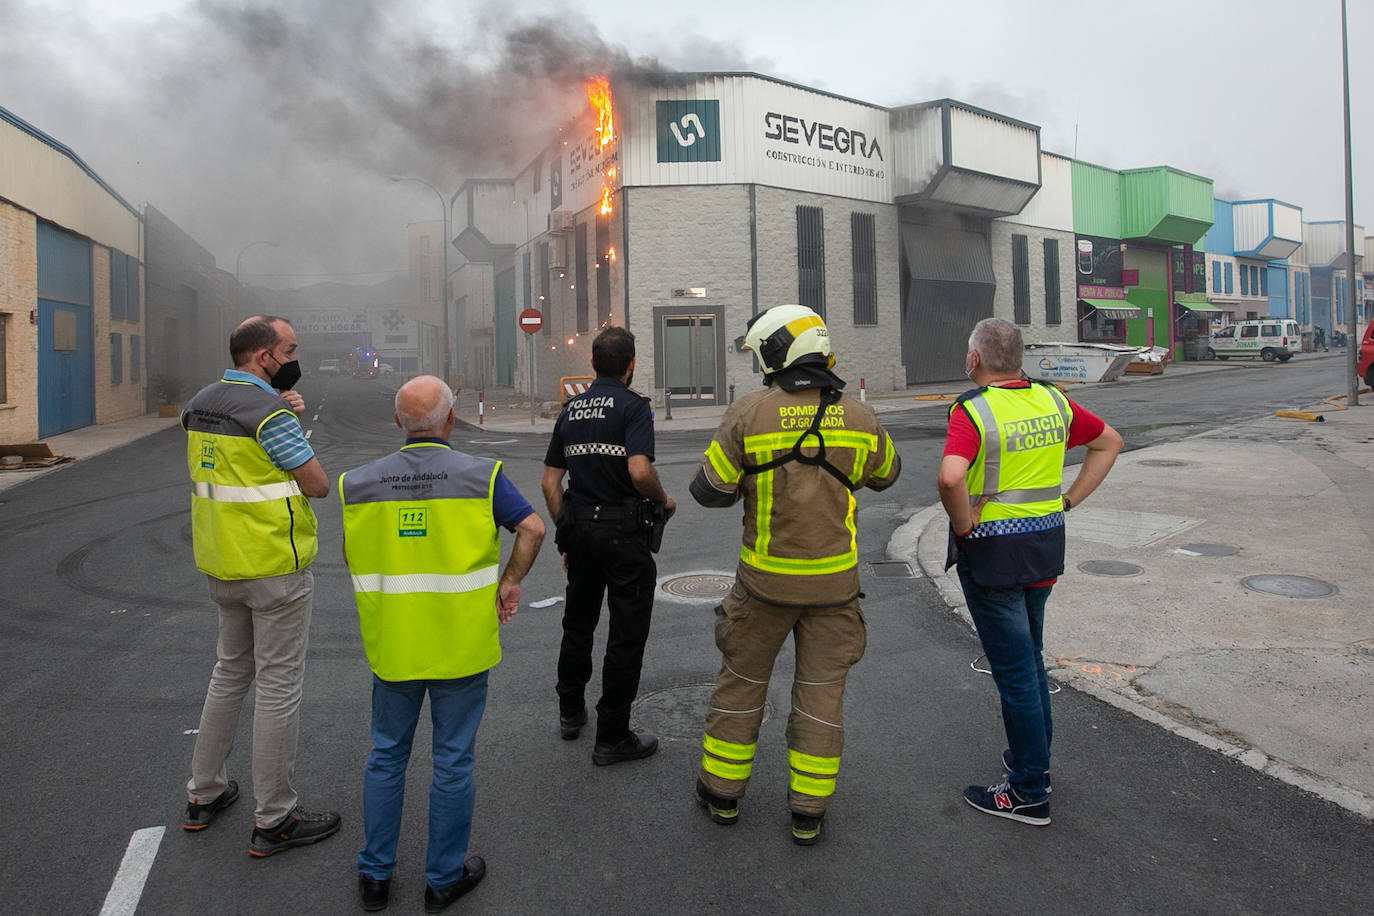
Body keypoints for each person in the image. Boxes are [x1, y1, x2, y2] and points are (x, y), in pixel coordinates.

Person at [688, 304, 901, 846]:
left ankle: (722, 797)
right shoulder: (859, 415)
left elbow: (707, 491)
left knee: (740, 687)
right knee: (821, 695)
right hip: (835, 589)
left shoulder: (748, 413)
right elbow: (887, 474)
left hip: (762, 586)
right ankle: (808, 813)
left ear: (774, 353)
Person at [341, 376, 545, 913]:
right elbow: (533, 528)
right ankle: (441, 880)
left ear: (397, 423)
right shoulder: (483, 477)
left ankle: (375, 878)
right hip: (461, 645)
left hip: (394, 645)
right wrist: (509, 581)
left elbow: (353, 554)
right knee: (452, 763)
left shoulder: (358, 483)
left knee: (386, 757)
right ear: (452, 420)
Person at [938, 317, 1123, 826]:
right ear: (1019, 359)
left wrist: (964, 524)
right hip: (1043, 547)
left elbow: (951, 476)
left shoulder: (972, 410)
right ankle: (1032, 763)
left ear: (975, 359)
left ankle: (1027, 792)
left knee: (1015, 674)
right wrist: (1068, 500)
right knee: (1030, 661)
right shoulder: (1054, 401)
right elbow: (1110, 442)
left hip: (993, 556)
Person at [181, 315, 342, 856]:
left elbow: (242, 450)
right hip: (274, 566)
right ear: (262, 356)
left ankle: (205, 793)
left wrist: (283, 410)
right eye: (290, 349)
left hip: (221, 563)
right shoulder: (269, 413)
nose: (296, 358)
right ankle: (275, 817)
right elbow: (316, 484)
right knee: (277, 686)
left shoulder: (200, 404)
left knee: (229, 674)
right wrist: (285, 417)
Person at [541, 326, 675, 765]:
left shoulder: (572, 409)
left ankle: (569, 712)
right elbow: (639, 471)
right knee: (625, 635)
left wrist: (566, 531)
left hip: (581, 533)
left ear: (593, 364)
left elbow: (549, 481)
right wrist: (662, 499)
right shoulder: (634, 409)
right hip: (623, 535)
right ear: (631, 365)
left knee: (577, 624)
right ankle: (612, 735)